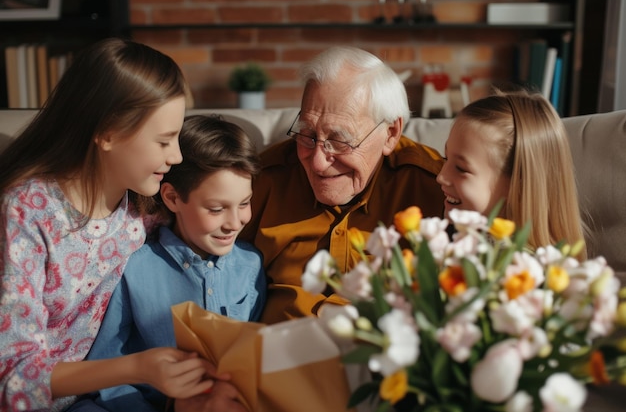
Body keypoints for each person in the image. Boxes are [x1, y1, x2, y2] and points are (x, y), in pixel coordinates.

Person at [0, 38, 216, 412]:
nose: (176, 155)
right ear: (107, 133)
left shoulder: (146, 209)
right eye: (164, 140)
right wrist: (136, 368)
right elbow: (12, 377)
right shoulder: (26, 212)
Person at [240, 45, 445, 324]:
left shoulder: (435, 186)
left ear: (391, 134)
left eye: (339, 140)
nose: (317, 163)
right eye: (307, 135)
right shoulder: (260, 180)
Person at [86, 114, 266, 412]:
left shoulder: (251, 265)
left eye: (244, 203)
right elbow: (107, 368)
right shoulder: (135, 268)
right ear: (172, 198)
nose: (235, 222)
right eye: (217, 208)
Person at [436, 88, 587, 257]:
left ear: (518, 183)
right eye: (446, 158)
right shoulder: (466, 244)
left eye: (461, 168)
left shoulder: (519, 272)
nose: (441, 176)